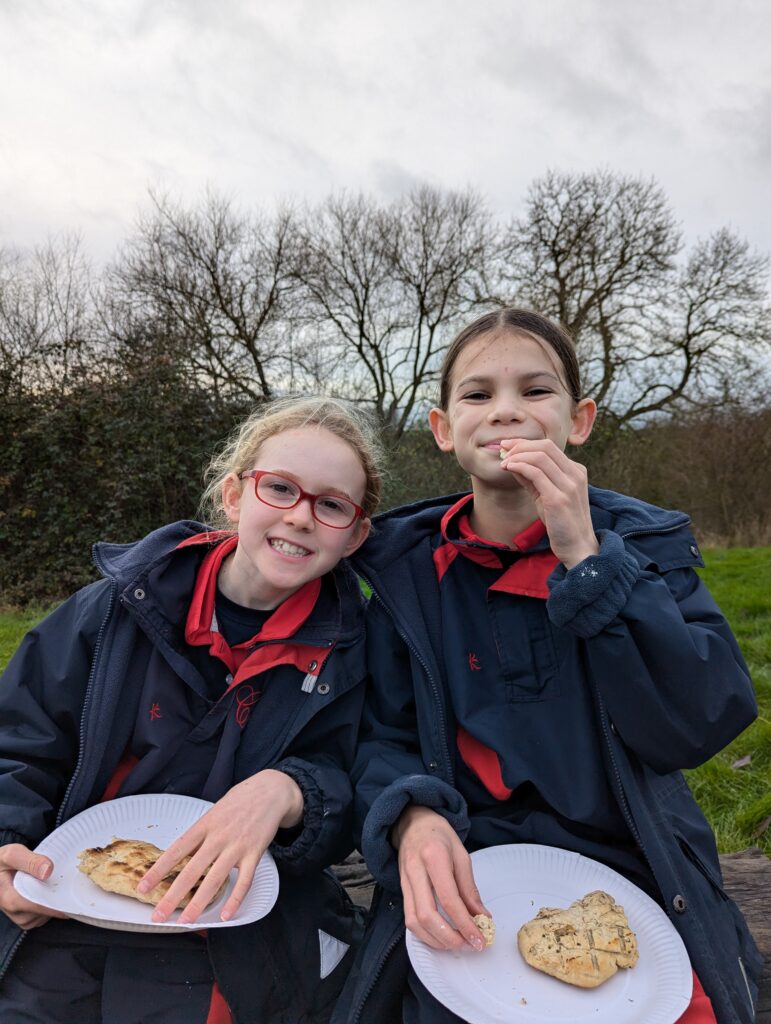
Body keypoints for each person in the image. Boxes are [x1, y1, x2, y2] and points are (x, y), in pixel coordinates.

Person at [333, 309, 762, 1024]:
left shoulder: (644, 548)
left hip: (637, 869)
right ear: (443, 429)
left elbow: (698, 723)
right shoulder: (405, 574)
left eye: (535, 391)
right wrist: (409, 813)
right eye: (477, 395)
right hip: (465, 873)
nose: (504, 410)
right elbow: (379, 734)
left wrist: (588, 562)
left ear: (579, 420)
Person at [0, 396, 384, 1024]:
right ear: (234, 494)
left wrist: (295, 791)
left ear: (357, 535)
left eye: (333, 504)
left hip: (229, 939)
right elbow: (20, 738)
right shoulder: (110, 611)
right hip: (66, 912)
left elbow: (361, 787)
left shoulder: (358, 652)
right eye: (280, 488)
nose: (302, 517)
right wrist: (5, 841)